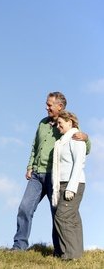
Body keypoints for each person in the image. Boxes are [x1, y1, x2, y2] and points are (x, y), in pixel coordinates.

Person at [11, 92, 90, 254]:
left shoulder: (67, 124)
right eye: (47, 104)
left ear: (59, 106)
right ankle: (19, 246)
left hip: (55, 176)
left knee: (58, 214)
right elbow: (35, 146)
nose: (46, 107)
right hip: (37, 175)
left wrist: (86, 138)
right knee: (24, 208)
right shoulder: (42, 123)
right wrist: (30, 166)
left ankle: (60, 250)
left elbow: (84, 148)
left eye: (49, 105)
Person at [52, 110, 86, 260]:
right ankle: (76, 256)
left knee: (62, 217)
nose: (58, 126)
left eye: (60, 123)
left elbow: (79, 163)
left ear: (70, 122)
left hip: (74, 183)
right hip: (62, 184)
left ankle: (69, 256)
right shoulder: (62, 142)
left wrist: (71, 187)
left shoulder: (75, 139)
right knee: (72, 218)